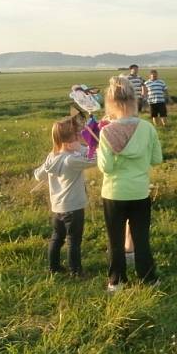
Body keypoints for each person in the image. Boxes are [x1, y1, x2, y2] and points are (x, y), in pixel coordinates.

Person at [98, 76, 163, 292]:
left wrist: (100, 149)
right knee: (141, 239)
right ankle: (148, 278)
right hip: (139, 192)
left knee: (115, 241)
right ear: (134, 100)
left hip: (113, 193)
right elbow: (156, 159)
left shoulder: (106, 131)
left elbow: (106, 168)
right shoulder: (147, 128)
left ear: (110, 102)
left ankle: (116, 281)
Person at [34, 116, 96, 277]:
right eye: (78, 136)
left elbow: (38, 175)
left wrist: (46, 169)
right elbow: (95, 159)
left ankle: (53, 267)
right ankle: (76, 272)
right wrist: (83, 148)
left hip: (58, 208)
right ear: (70, 141)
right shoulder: (71, 160)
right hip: (74, 207)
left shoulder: (52, 157)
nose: (81, 138)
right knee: (74, 241)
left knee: (57, 238)